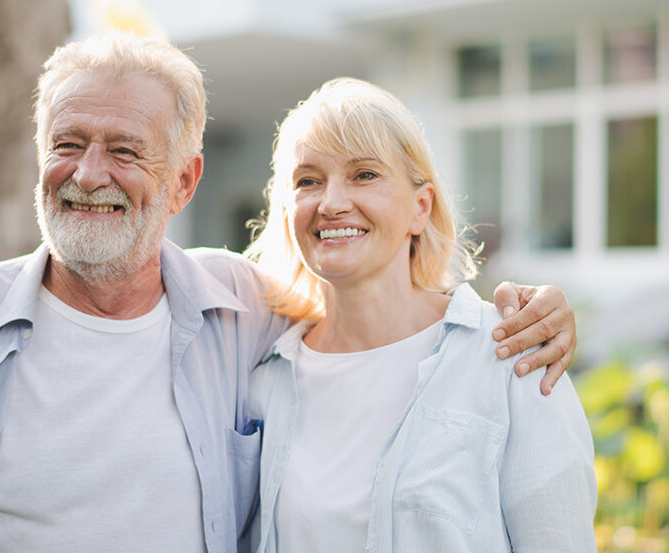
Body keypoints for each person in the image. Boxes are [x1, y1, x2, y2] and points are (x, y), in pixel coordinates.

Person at [0, 33, 579, 553]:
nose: (88, 173)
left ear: (185, 183)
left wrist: (528, 311)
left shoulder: (238, 313)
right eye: (67, 144)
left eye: (126, 150)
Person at [244, 78, 598, 551]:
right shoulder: (266, 381)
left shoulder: (510, 355)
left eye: (364, 174)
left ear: (420, 207)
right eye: (308, 181)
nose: (330, 203)